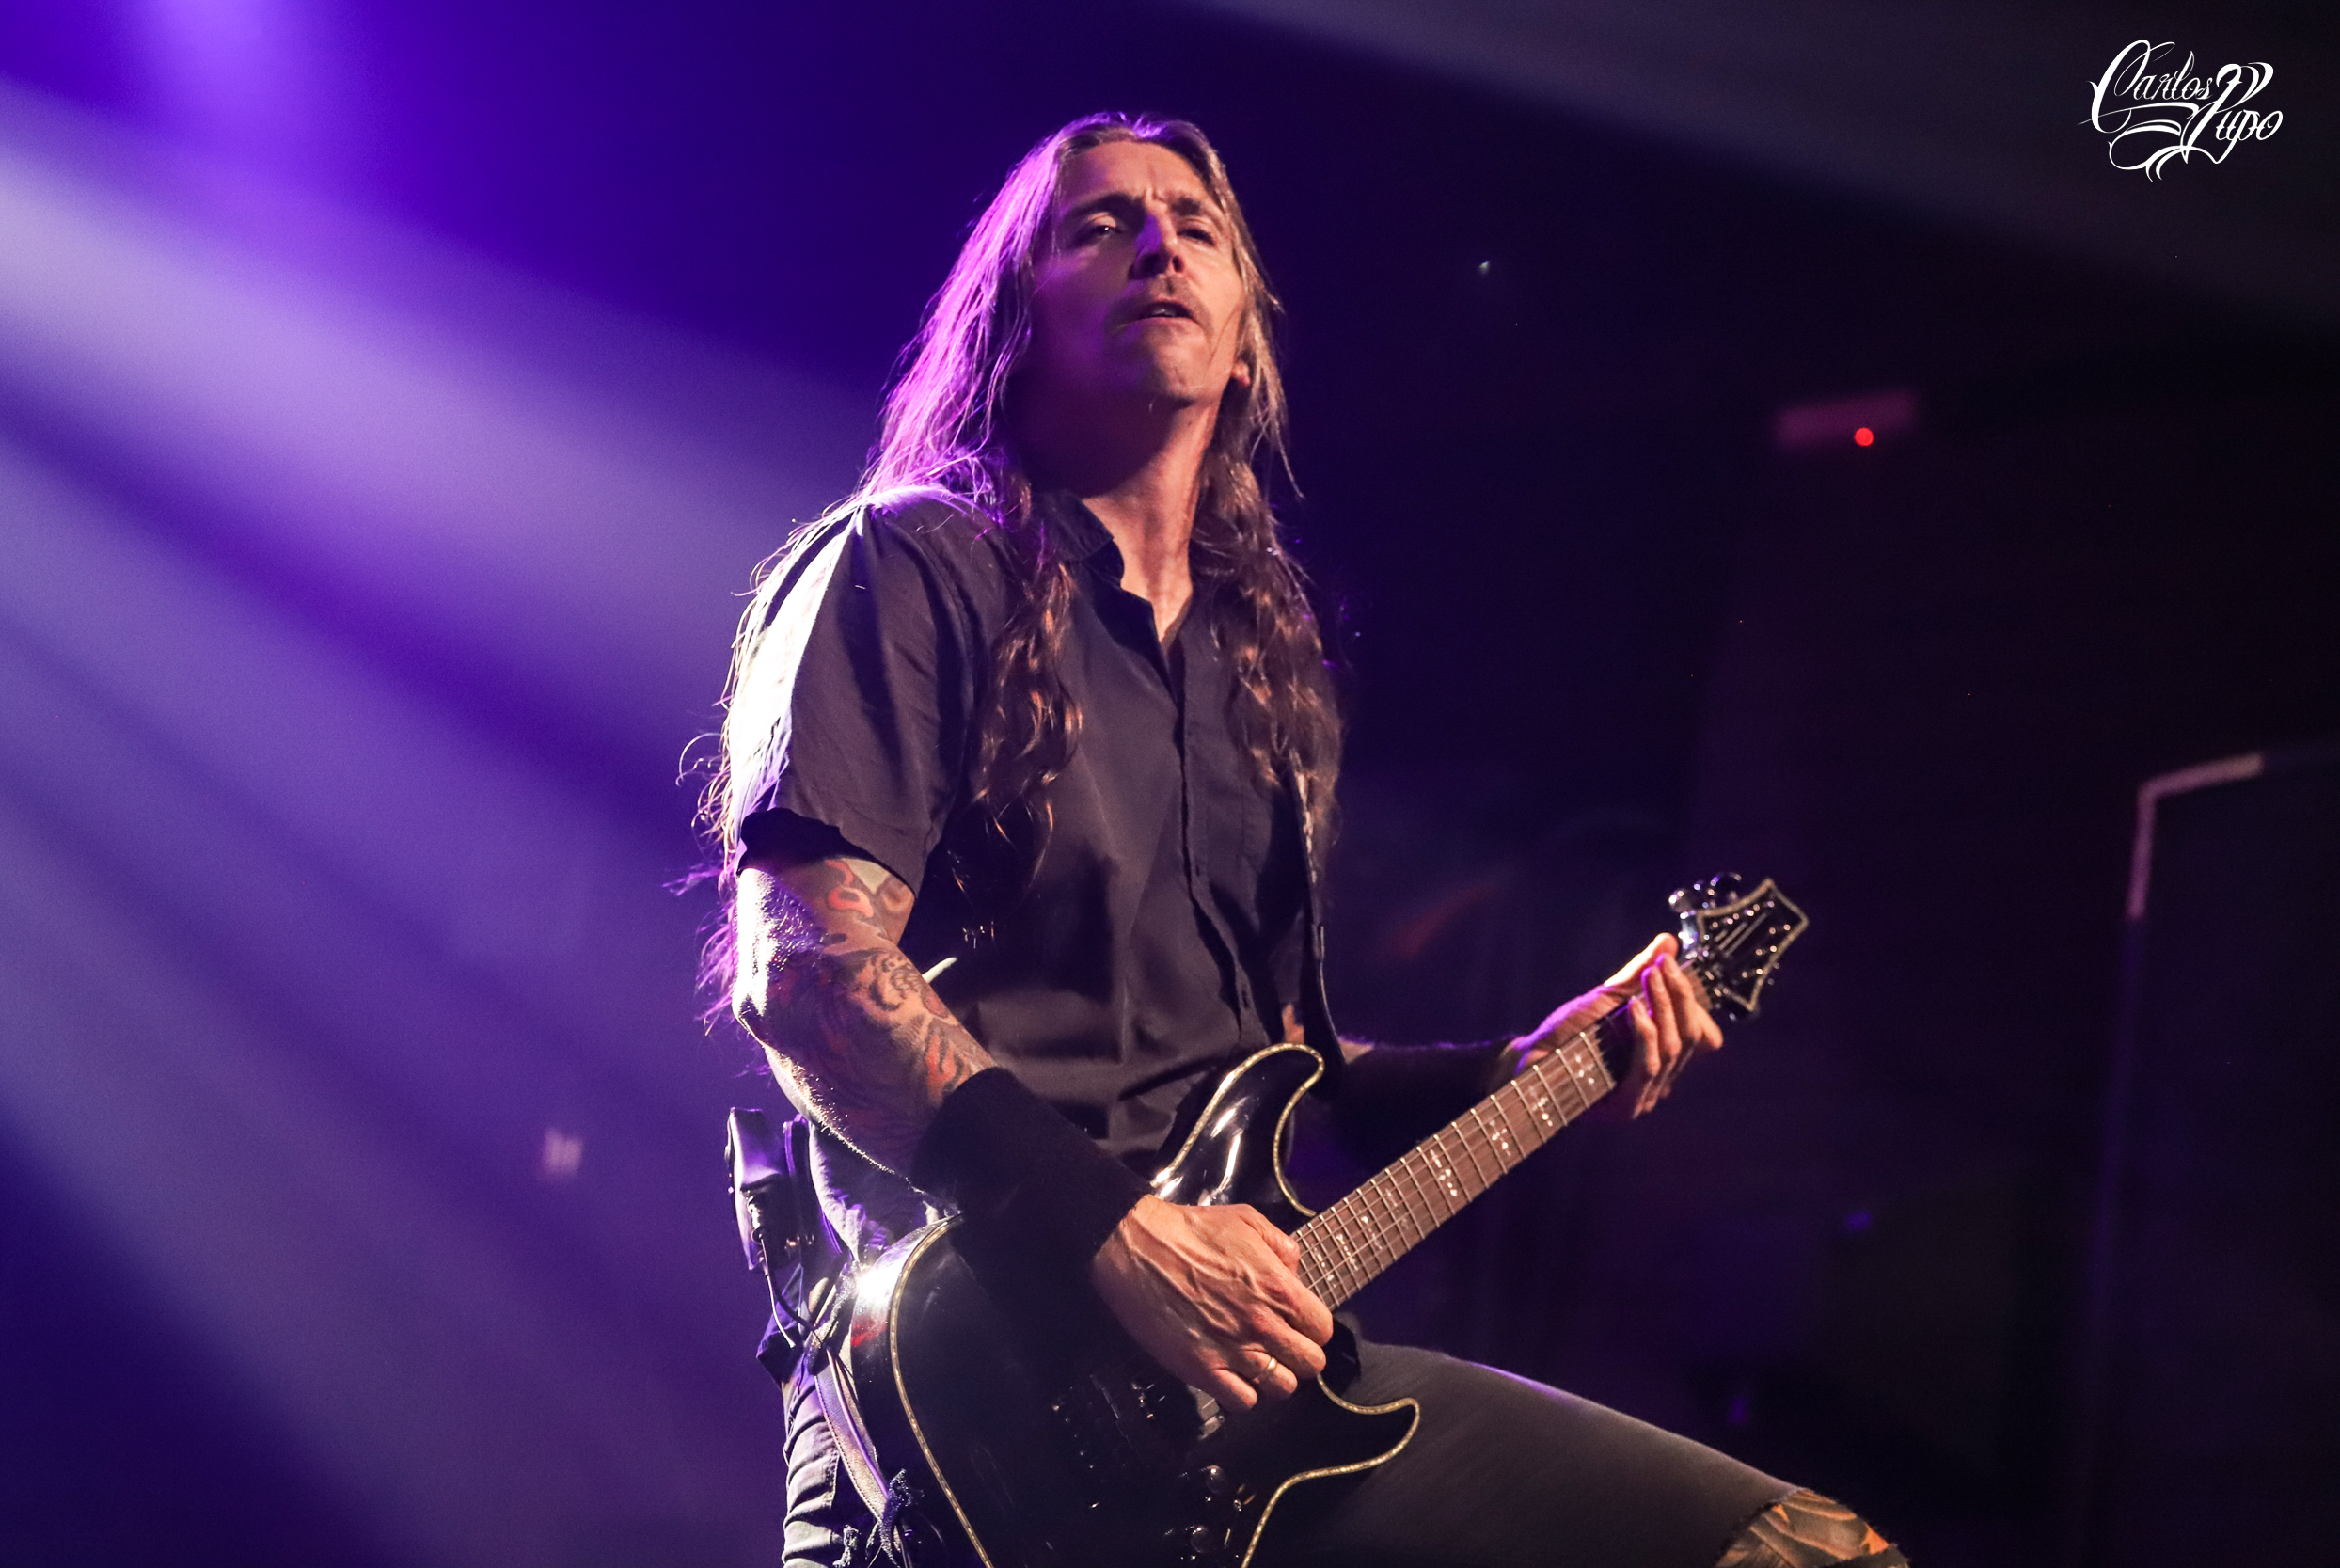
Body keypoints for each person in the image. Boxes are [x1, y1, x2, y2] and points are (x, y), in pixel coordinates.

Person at [705, 112, 1905, 1568]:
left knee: (1807, 1552)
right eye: (1099, 225)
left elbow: (1273, 1062)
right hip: (966, 1403)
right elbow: (810, 974)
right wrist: (1117, 1234)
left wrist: (1516, 1073)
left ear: (1245, 338)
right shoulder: (910, 566)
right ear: (1013, 318)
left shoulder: (1265, 681)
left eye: (1197, 226)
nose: (1159, 244)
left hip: (1249, 1396)